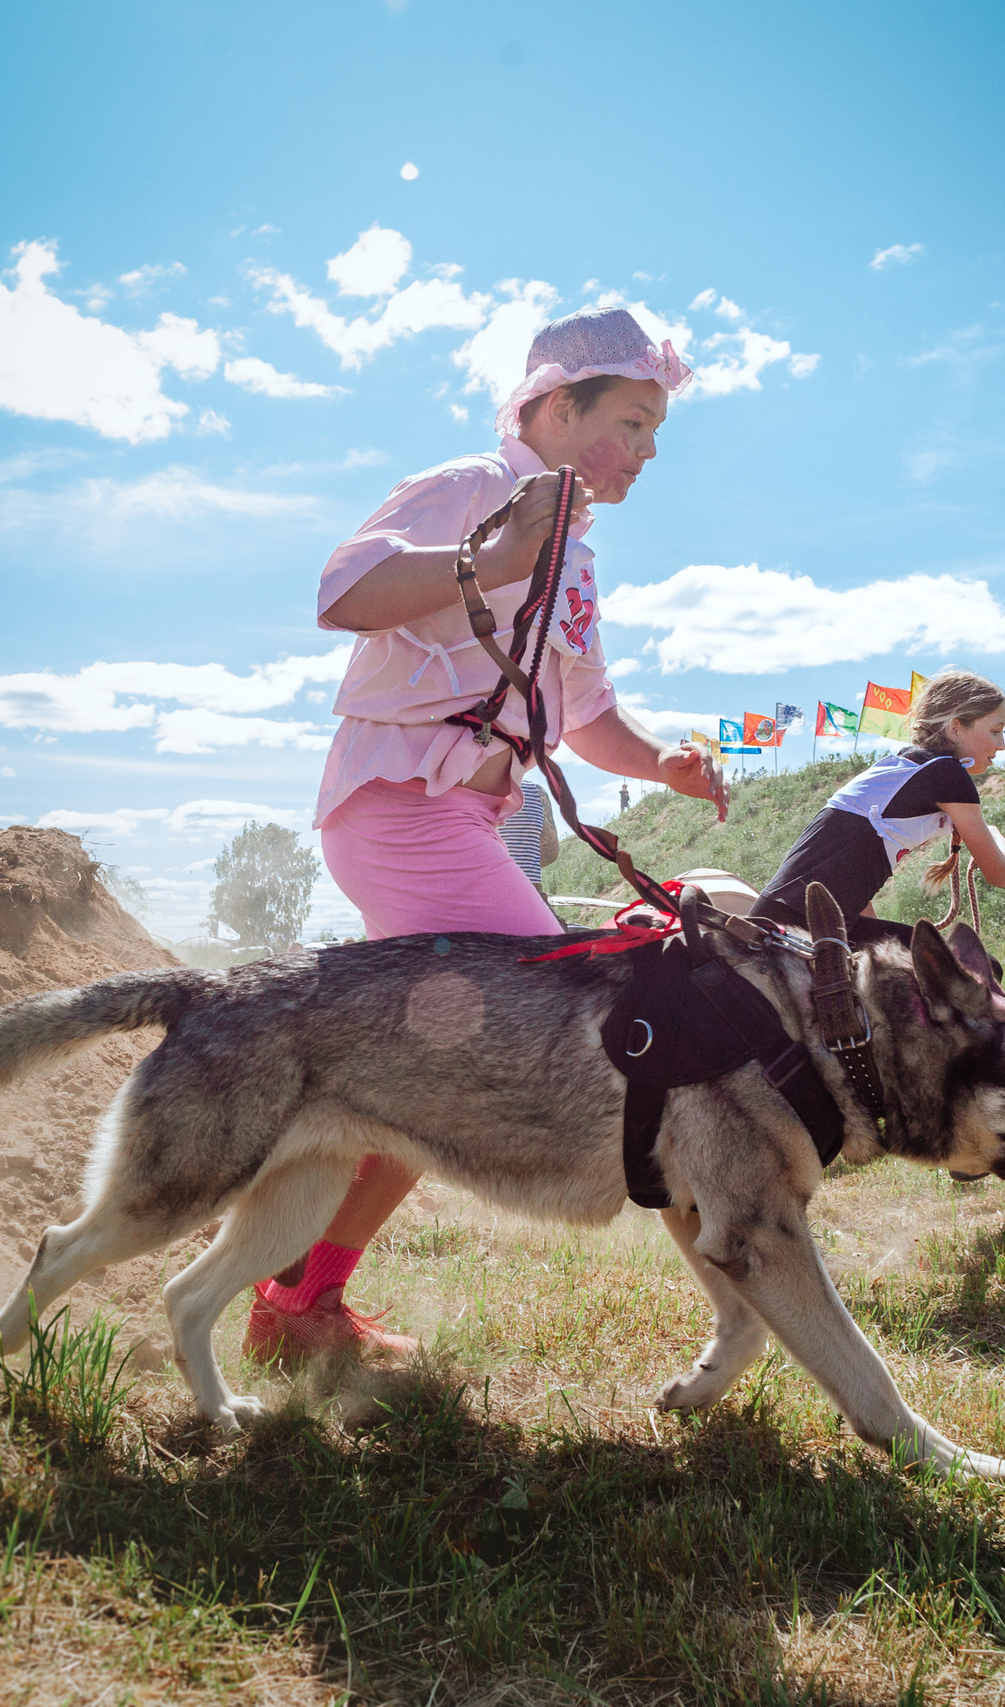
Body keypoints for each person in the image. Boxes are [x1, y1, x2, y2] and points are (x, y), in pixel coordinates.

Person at [255, 307, 730, 1366]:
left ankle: (295, 1296)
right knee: (529, 1032)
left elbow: (589, 716)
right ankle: (288, 1299)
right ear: (559, 407)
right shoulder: (478, 484)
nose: (649, 451)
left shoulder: (578, 558)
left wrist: (663, 765)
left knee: (432, 1077)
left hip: (460, 816)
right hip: (403, 813)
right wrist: (498, 549)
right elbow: (342, 590)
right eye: (634, 422)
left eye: (659, 431)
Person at [750, 669, 1005, 943]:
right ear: (956, 728)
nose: (1002, 745)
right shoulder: (947, 774)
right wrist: (995, 835)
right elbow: (999, 874)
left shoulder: (905, 767)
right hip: (803, 926)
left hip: (792, 919)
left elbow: (847, 866)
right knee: (979, 970)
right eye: (995, 731)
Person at [498, 777, 560, 890]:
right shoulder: (536, 791)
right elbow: (551, 850)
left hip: (476, 897)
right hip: (529, 893)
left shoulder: (461, 789)